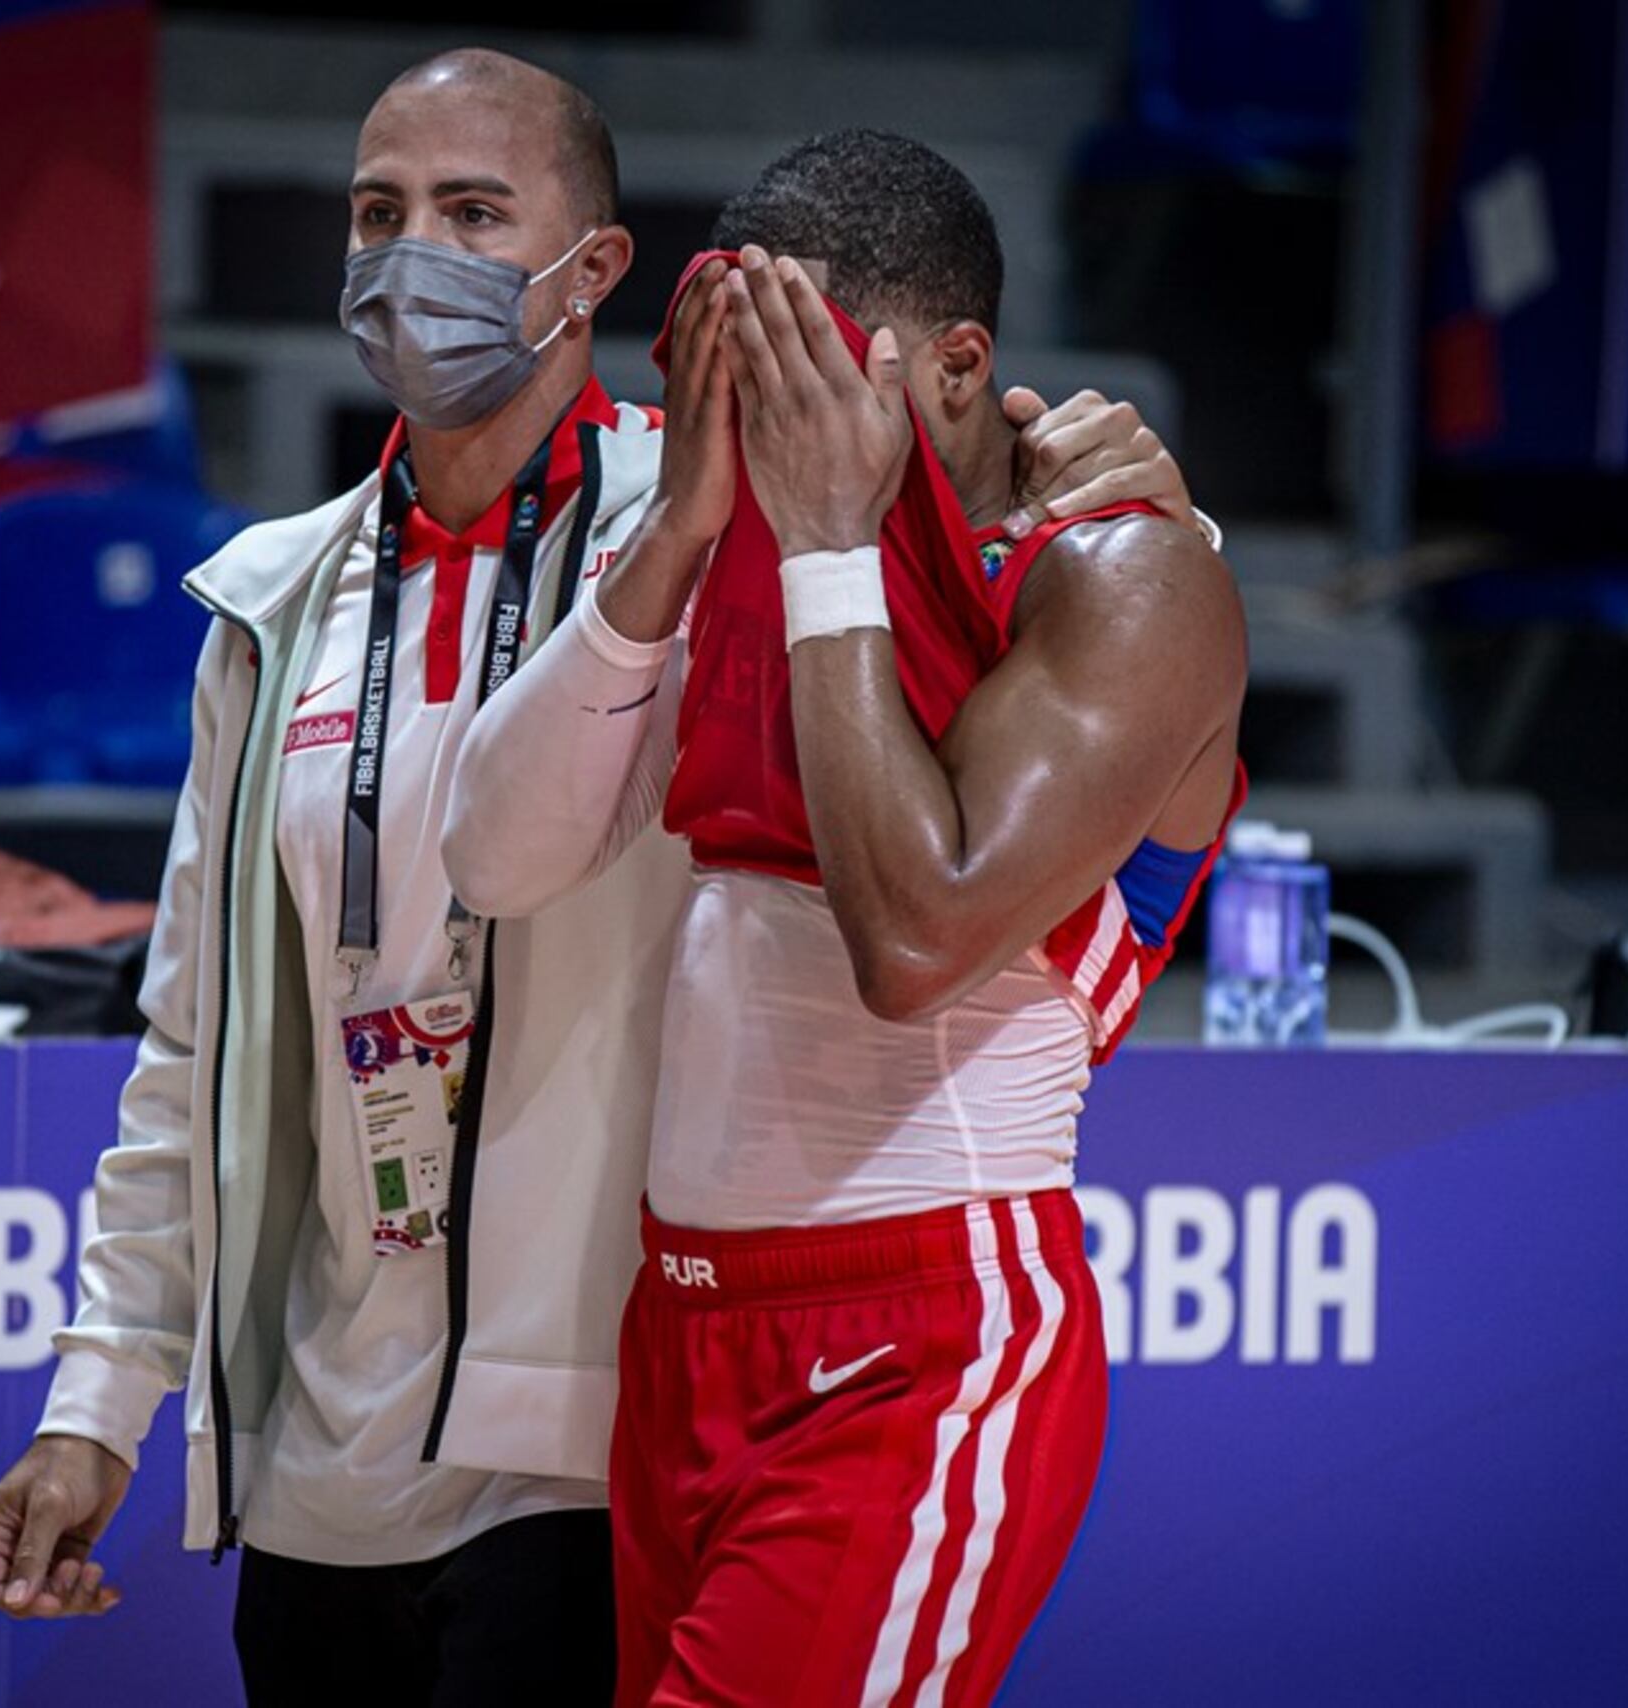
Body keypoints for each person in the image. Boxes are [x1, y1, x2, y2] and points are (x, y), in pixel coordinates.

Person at [0, 53, 1200, 1708]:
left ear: (598, 273)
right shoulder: (276, 602)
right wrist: (100, 1396)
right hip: (345, 1443)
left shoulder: (762, 513)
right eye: (378, 214)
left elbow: (977, 696)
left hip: (593, 1439)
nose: (416, 259)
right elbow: (204, 1044)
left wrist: (1080, 485)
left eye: (475, 213)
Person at [444, 130, 1248, 1706]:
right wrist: (707, 520)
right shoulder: (748, 529)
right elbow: (499, 841)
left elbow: (919, 942)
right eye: (750, 379)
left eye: (819, 380)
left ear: (958, 367)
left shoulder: (1129, 581)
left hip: (918, 1344)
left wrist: (821, 547)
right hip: (683, 1335)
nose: (780, 429)